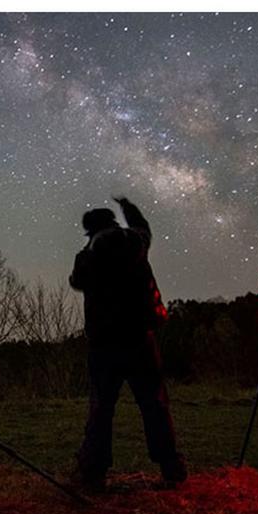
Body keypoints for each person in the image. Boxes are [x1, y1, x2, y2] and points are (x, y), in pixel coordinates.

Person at [69, 196, 186, 490]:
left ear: (90, 230)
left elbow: (76, 281)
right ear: (113, 221)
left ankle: (93, 472)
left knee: (101, 408)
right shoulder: (135, 241)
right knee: (154, 404)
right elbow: (143, 226)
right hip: (140, 339)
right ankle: (171, 467)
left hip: (104, 344)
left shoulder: (87, 256)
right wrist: (129, 206)